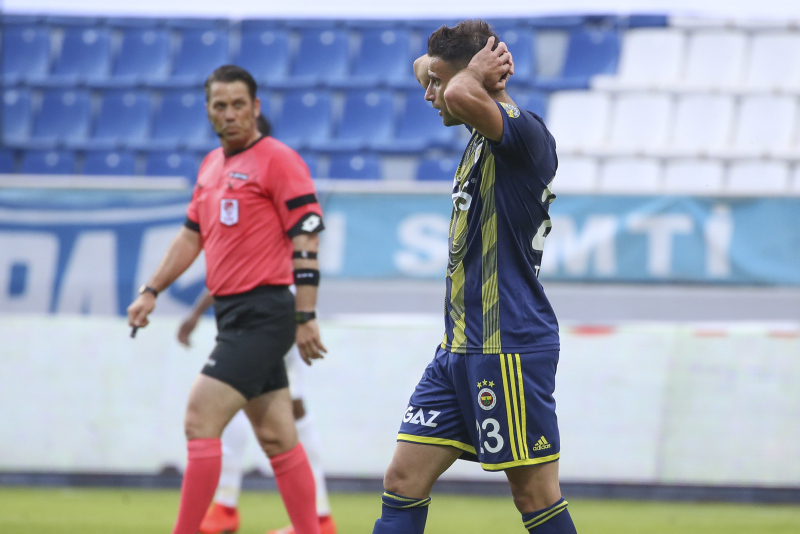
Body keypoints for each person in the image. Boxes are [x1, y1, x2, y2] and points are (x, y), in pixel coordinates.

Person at [372, 20, 577, 534]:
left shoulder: (523, 134)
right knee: (403, 479)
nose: (429, 94)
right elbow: (427, 69)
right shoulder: (480, 124)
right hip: (459, 347)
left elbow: (460, 92)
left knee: (534, 494)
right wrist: (457, 67)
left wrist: (471, 74)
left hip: (507, 343)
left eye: (437, 85)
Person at [127, 64, 327, 534]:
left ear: (254, 108)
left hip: (266, 312)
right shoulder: (211, 166)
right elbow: (190, 237)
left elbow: (307, 234)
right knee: (277, 436)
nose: (230, 114)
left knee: (200, 418)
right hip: (232, 314)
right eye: (221, 106)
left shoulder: (278, 159)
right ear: (208, 111)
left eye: (239, 104)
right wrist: (151, 290)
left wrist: (306, 314)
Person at [178, 288, 336, 534]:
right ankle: (227, 506)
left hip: (272, 310)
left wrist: (158, 293)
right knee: (245, 399)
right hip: (258, 309)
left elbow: (242, 268)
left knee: (278, 405)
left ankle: (317, 518)